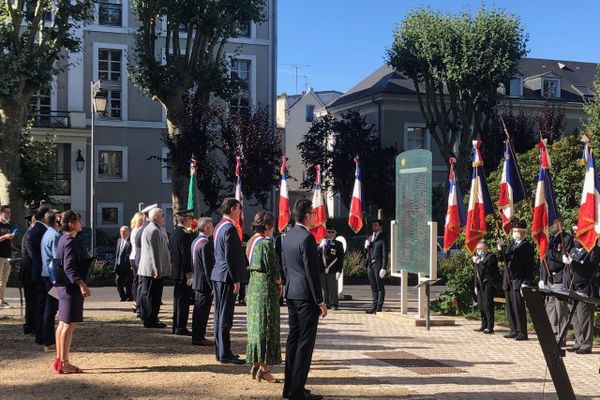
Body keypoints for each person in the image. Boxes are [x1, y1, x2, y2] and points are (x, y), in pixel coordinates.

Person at [282, 199, 327, 400]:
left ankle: (289, 387)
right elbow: (312, 273)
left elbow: (285, 266)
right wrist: (320, 300)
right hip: (306, 297)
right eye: (313, 214)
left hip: (292, 293)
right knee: (304, 343)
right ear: (307, 216)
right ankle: (297, 391)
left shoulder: (287, 236)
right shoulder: (307, 238)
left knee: (293, 340)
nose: (315, 218)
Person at [245, 211, 282, 383]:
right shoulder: (266, 244)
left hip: (253, 287)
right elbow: (274, 270)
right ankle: (265, 370)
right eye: (272, 225)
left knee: (256, 327)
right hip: (266, 290)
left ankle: (256, 362)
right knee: (267, 326)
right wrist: (280, 282)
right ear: (267, 226)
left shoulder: (251, 241)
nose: (273, 229)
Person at [54, 210, 91, 374]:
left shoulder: (63, 239)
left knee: (63, 323)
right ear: (71, 224)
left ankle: (59, 359)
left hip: (62, 286)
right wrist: (81, 284)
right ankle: (64, 362)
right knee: (68, 324)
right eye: (78, 220)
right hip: (70, 287)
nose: (80, 223)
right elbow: (69, 267)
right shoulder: (70, 241)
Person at [211, 198, 245, 364]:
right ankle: (225, 353)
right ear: (232, 209)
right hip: (226, 276)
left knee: (219, 316)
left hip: (218, 274)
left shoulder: (219, 225)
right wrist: (236, 279)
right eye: (238, 208)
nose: (240, 212)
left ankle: (221, 351)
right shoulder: (230, 228)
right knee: (225, 317)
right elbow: (230, 257)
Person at [497, 219, 534, 341]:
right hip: (508, 280)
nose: (514, 233)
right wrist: (500, 248)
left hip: (519, 280)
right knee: (510, 307)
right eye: (513, 231)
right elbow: (503, 259)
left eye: (516, 231)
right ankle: (513, 329)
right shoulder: (512, 245)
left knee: (518, 307)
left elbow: (529, 266)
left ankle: (522, 332)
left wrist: (526, 282)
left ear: (522, 232)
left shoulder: (527, 246)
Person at [564, 235, 600, 355]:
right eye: (574, 236)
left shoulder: (593, 251)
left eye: (579, 236)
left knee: (584, 318)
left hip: (584, 289)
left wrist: (572, 263)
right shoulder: (573, 251)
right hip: (572, 288)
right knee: (575, 318)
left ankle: (586, 345)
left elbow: (587, 270)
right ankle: (578, 342)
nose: (575, 239)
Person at [539, 222, 573, 345]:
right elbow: (544, 260)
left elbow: (563, 259)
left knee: (561, 310)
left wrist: (548, 251)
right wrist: (542, 277)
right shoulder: (550, 239)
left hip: (559, 279)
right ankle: (552, 335)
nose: (550, 226)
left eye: (552, 223)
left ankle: (561, 337)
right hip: (549, 279)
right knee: (550, 308)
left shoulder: (567, 238)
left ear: (559, 223)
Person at [138, 208, 171, 329]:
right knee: (153, 296)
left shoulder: (153, 229)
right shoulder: (154, 230)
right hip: (152, 270)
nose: (164, 217)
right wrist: (158, 270)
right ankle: (151, 319)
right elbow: (155, 252)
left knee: (150, 294)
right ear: (157, 217)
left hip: (149, 270)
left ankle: (150, 317)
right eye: (162, 215)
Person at [170, 209, 195, 336]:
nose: (192, 221)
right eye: (190, 219)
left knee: (177, 300)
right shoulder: (185, 235)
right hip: (183, 273)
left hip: (176, 271)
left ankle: (176, 325)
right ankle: (181, 326)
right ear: (186, 220)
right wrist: (189, 275)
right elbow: (186, 257)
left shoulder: (174, 233)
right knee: (183, 301)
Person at [191, 217, 215, 346]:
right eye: (211, 227)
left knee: (198, 310)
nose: (213, 229)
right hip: (204, 283)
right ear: (206, 228)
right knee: (202, 312)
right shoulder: (205, 244)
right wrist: (213, 286)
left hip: (198, 281)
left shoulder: (196, 240)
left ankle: (198, 335)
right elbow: (208, 268)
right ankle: (199, 337)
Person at [40, 210, 61, 349]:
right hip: (52, 276)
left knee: (50, 307)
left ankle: (47, 338)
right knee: (51, 308)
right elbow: (56, 259)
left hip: (46, 273)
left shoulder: (47, 233)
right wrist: (57, 280)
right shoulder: (54, 235)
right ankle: (48, 339)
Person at [29, 206, 49, 345]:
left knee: (40, 305)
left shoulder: (35, 229)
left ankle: (40, 333)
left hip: (37, 270)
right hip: (42, 271)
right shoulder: (42, 230)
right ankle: (43, 334)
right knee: (44, 305)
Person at [472, 240, 499, 334]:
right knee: (481, 305)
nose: (479, 251)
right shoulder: (478, 258)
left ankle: (490, 326)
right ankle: (483, 325)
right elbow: (476, 273)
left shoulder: (491, 257)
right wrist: (475, 285)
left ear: (486, 248)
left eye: (481, 248)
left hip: (488, 284)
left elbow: (488, 271)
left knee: (488, 305)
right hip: (479, 285)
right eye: (478, 249)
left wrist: (480, 262)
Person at [134, 204, 157, 308]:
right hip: (145, 261)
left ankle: (139, 306)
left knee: (142, 286)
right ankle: (141, 307)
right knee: (145, 288)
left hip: (140, 259)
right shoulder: (147, 228)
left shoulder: (143, 228)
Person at [318, 227, 344, 310]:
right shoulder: (321, 242)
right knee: (323, 288)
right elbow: (314, 253)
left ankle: (334, 304)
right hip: (321, 268)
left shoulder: (338, 244)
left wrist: (339, 271)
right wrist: (319, 246)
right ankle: (325, 304)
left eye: (333, 232)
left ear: (335, 233)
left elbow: (341, 258)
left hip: (332, 268)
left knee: (333, 288)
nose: (331, 234)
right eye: (329, 232)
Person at [364, 220, 387, 314]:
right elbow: (367, 253)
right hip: (370, 265)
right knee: (373, 287)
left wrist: (383, 267)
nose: (373, 227)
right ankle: (374, 305)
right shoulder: (370, 237)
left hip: (378, 265)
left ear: (380, 227)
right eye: (373, 225)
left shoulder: (383, 238)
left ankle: (379, 306)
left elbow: (385, 254)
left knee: (379, 286)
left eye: (376, 225)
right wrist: (366, 247)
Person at [20, 209, 37, 334]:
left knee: (32, 301)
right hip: (30, 274)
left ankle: (31, 324)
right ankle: (30, 325)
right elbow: (33, 255)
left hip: (30, 273)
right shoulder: (30, 235)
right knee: (31, 301)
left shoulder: (30, 233)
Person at [129, 212, 145, 314]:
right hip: (137, 257)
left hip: (133, 257)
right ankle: (137, 302)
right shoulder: (138, 230)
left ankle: (136, 301)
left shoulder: (133, 230)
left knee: (136, 280)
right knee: (139, 281)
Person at [0, 205, 15, 308]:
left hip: (6, 256)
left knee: (4, 280)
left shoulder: (8, 226)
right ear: (1, 213)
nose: (8, 214)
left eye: (9, 212)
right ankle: (0, 301)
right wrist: (5, 237)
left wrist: (13, 247)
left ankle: (1, 300)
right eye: (6, 212)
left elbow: (7, 241)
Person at [115, 226, 133, 301]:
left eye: (124, 231)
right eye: (121, 231)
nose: (122, 233)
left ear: (129, 232)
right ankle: (123, 296)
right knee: (118, 281)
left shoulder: (131, 241)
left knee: (129, 282)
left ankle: (129, 296)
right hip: (119, 266)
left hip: (128, 266)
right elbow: (118, 253)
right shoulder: (119, 240)